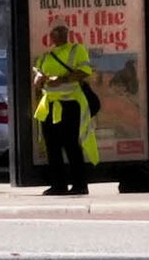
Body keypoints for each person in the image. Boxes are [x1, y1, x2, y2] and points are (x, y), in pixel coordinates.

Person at [29, 29, 98, 195]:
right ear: (50, 36)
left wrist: (62, 79)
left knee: (71, 144)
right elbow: (37, 81)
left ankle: (80, 185)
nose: (58, 34)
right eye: (55, 31)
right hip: (49, 105)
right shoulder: (45, 57)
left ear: (67, 33)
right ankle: (58, 185)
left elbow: (85, 71)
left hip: (70, 103)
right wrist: (40, 80)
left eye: (61, 31)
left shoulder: (76, 49)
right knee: (52, 146)